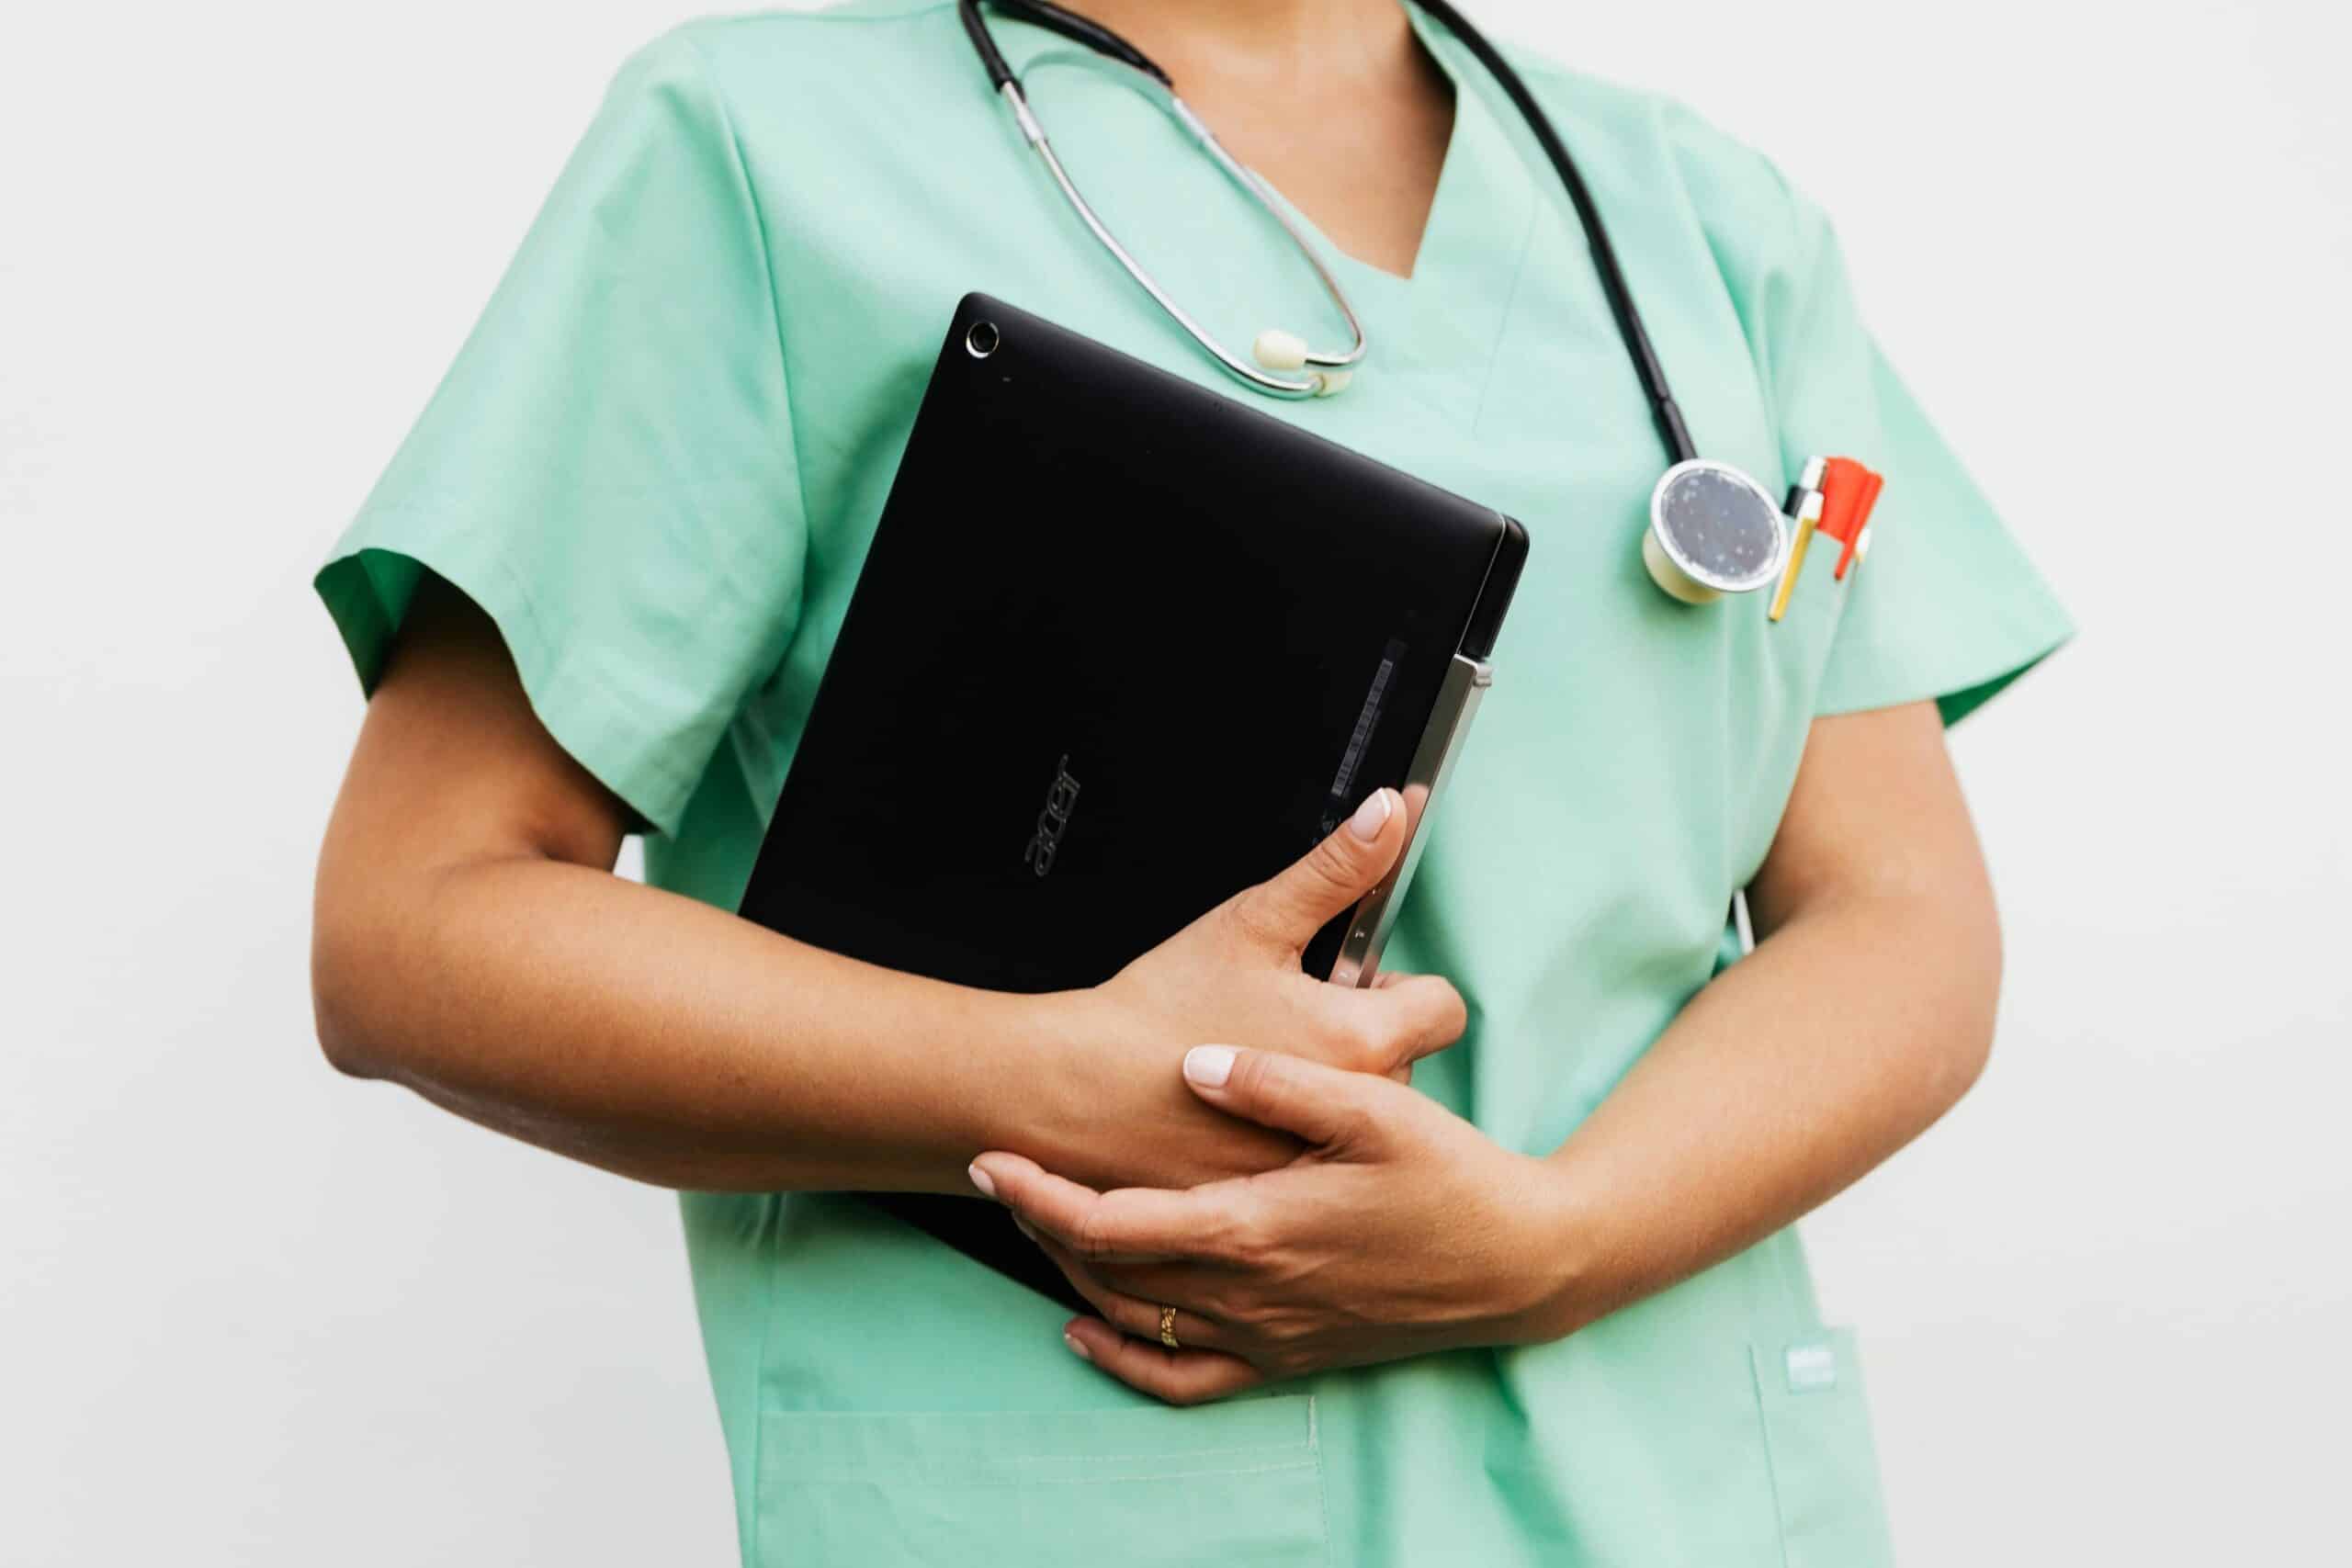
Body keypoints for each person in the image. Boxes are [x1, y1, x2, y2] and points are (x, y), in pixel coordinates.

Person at [310, 1, 2071, 1562]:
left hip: (1684, 1501)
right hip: (1080, 1485)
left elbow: (1898, 915)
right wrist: (1047, 1079)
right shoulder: (759, 149)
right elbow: (418, 923)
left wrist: (1557, 1242)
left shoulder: (1705, 221)